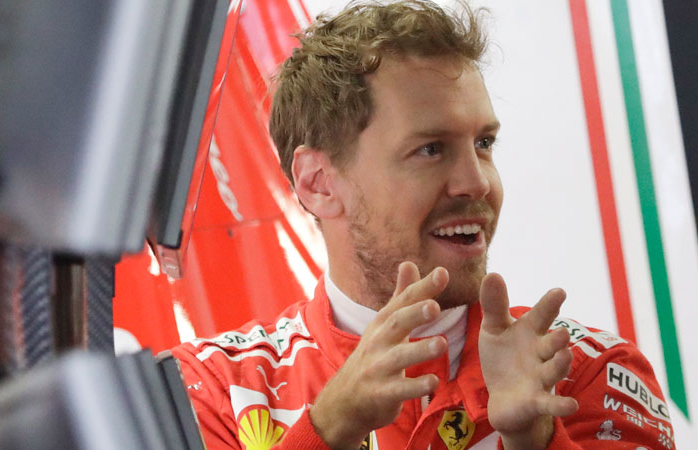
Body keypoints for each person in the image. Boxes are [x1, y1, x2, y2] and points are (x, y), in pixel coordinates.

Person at [172, 1, 675, 449]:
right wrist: (327, 431)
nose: (477, 183)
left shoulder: (586, 373)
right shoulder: (218, 389)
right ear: (319, 183)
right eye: (430, 150)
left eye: (484, 143)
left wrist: (535, 442)